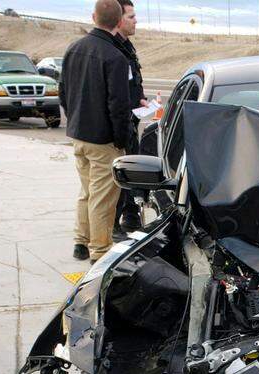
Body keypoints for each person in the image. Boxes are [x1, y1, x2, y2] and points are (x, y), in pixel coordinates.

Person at [60, 0, 132, 263]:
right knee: (102, 198)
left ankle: (81, 242)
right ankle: (99, 252)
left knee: (87, 191)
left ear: (93, 17)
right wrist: (121, 140)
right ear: (119, 22)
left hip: (78, 135)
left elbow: (63, 92)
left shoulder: (73, 49)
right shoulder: (115, 57)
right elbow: (119, 106)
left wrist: (74, 120)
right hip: (103, 141)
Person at [112, 0, 145, 236]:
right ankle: (113, 224)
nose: (136, 21)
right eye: (131, 17)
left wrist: (142, 101)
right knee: (118, 175)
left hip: (132, 121)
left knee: (131, 173)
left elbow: (133, 83)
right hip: (120, 126)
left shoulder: (127, 47)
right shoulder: (112, 51)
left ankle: (131, 216)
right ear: (118, 19)